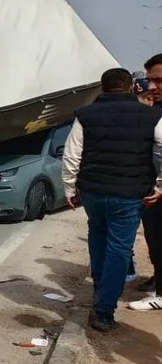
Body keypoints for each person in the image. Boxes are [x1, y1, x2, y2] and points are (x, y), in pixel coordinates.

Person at [62, 68, 162, 330]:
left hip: (93, 192)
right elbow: (161, 151)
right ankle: (105, 311)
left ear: (102, 88)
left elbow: (72, 154)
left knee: (97, 235)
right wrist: (160, 185)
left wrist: (69, 188)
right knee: (119, 248)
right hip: (129, 194)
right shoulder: (152, 116)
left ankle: (99, 288)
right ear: (131, 88)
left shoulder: (85, 115)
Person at [129, 56, 162, 308]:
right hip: (151, 189)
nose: (152, 86)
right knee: (154, 237)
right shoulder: (154, 108)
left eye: (158, 80)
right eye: (149, 79)